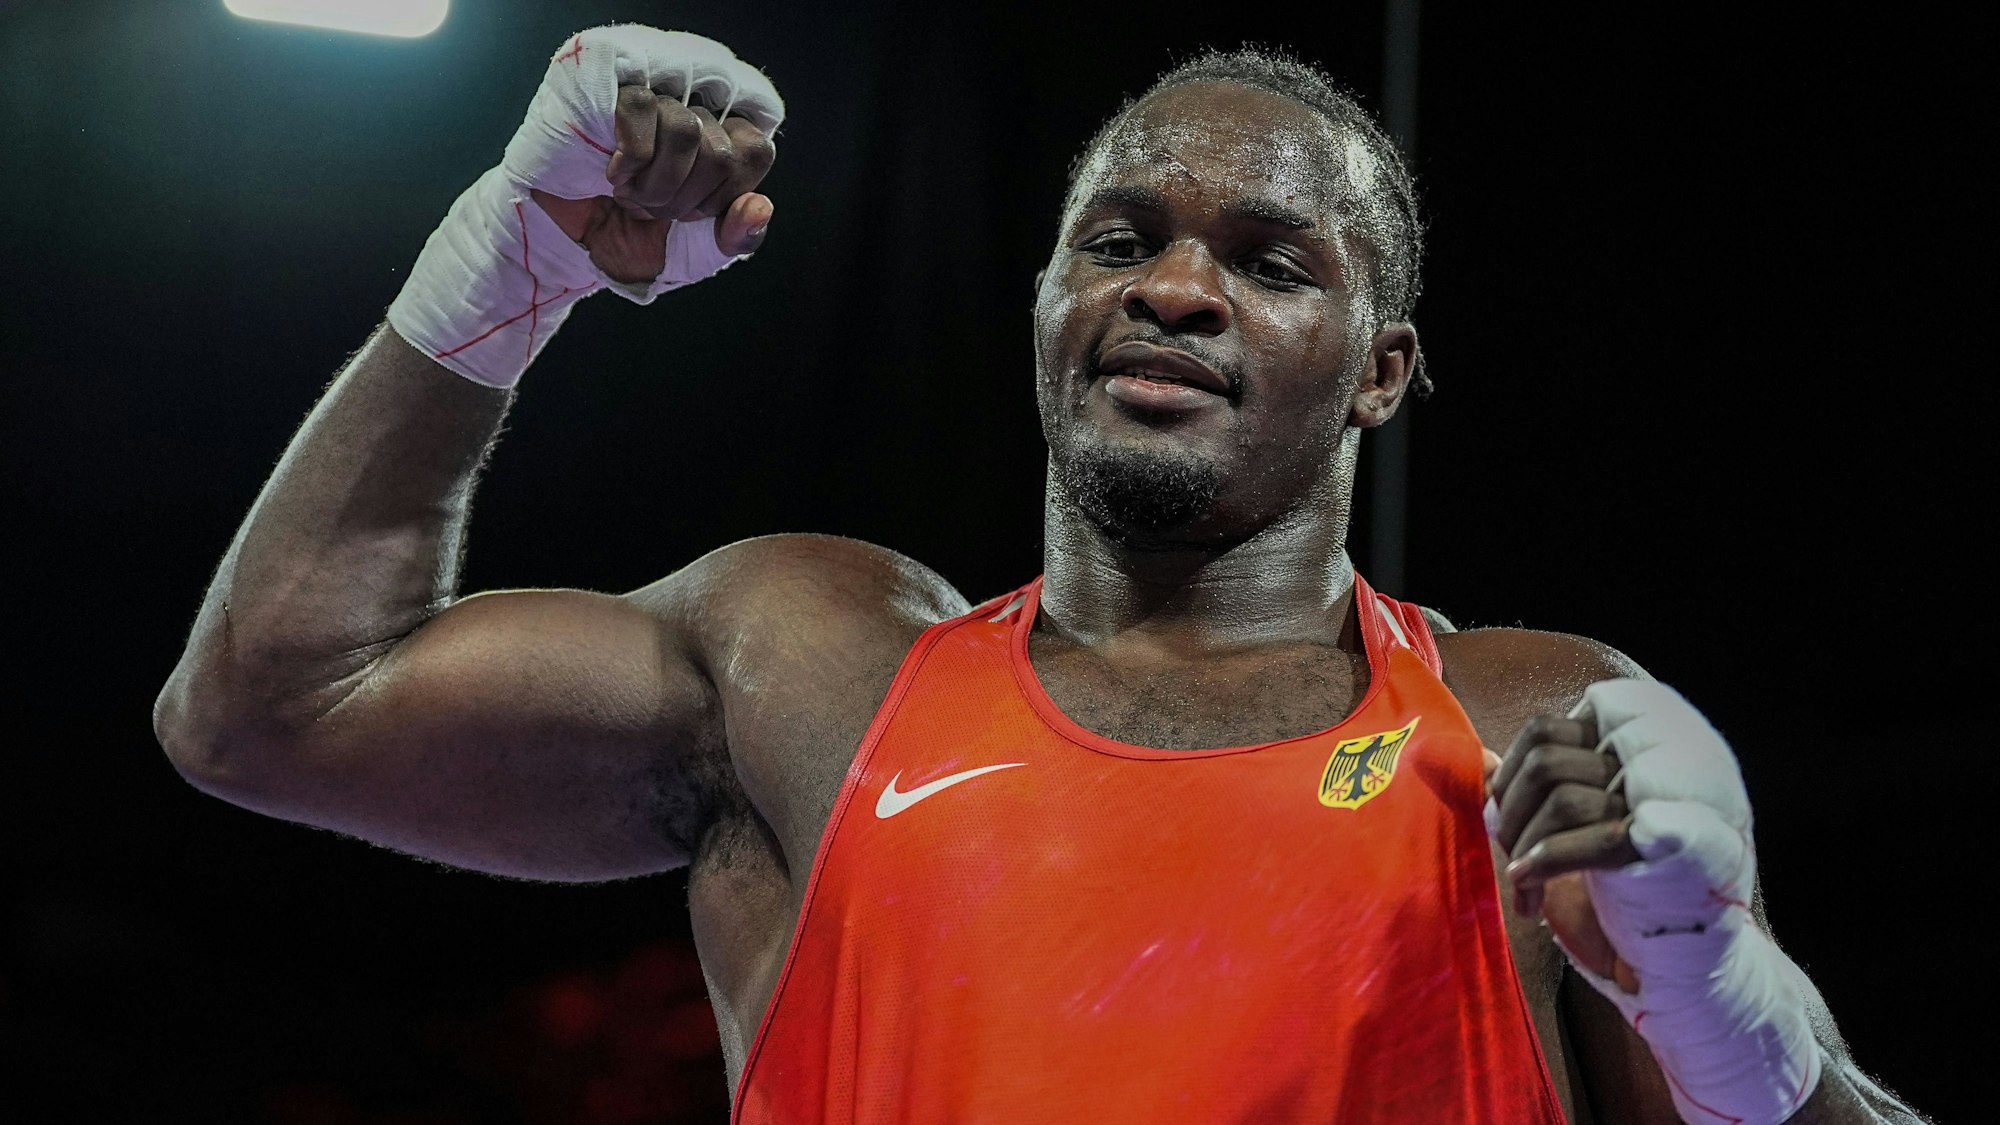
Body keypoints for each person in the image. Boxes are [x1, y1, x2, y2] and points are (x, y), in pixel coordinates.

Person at [154, 24, 1926, 1125]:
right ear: (1046, 306)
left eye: (1271, 258)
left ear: (1383, 368)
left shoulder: (1526, 727)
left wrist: (1739, 1034)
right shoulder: (813, 663)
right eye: (1121, 237)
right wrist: (506, 271)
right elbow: (271, 706)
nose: (1173, 285)